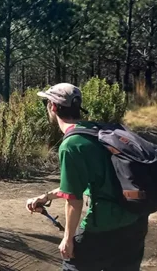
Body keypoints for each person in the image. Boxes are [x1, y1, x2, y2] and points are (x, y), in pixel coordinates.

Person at [25, 83, 147, 271]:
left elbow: (74, 198)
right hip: (135, 221)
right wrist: (46, 197)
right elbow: (84, 184)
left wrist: (68, 238)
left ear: (53, 107)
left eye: (47, 103)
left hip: (103, 227)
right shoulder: (98, 131)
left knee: (73, 265)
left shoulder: (72, 144)